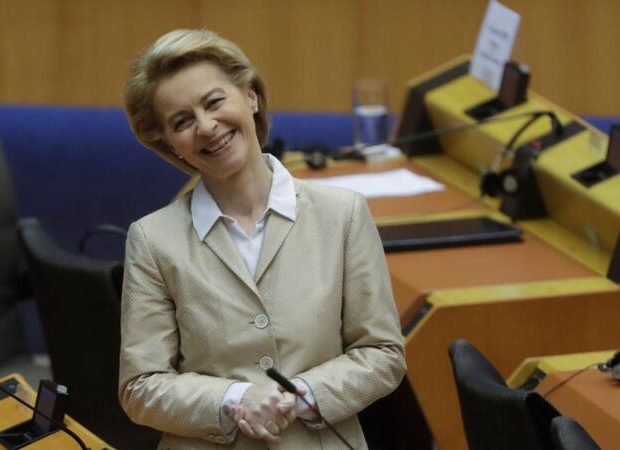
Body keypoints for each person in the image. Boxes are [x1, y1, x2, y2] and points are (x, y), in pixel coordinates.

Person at [119, 28, 406, 450]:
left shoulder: (343, 214)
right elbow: (140, 387)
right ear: (169, 144)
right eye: (182, 121)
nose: (206, 126)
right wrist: (234, 400)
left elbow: (383, 354)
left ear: (250, 95)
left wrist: (298, 397)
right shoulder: (151, 240)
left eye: (214, 102)